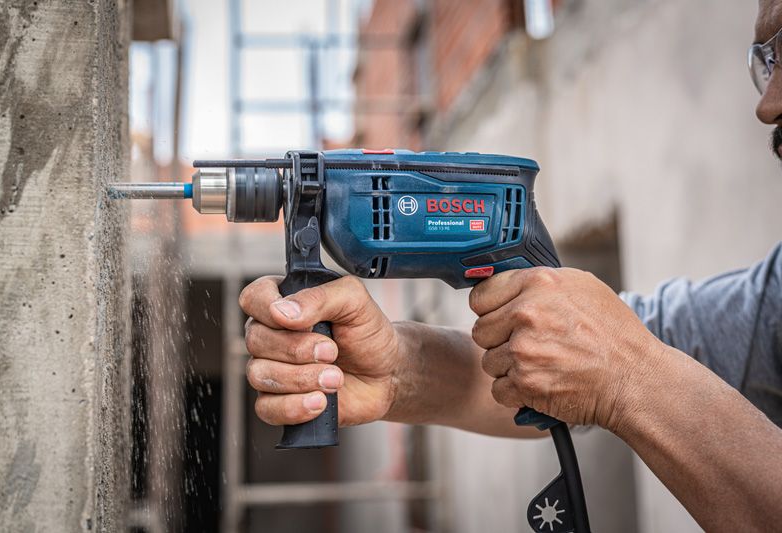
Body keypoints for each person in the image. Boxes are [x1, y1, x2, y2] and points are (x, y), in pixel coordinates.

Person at [239, 2, 782, 530]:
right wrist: (395, 369)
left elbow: (629, 356)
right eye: (766, 60)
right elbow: (604, 352)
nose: (767, 103)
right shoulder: (768, 302)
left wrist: (625, 374)